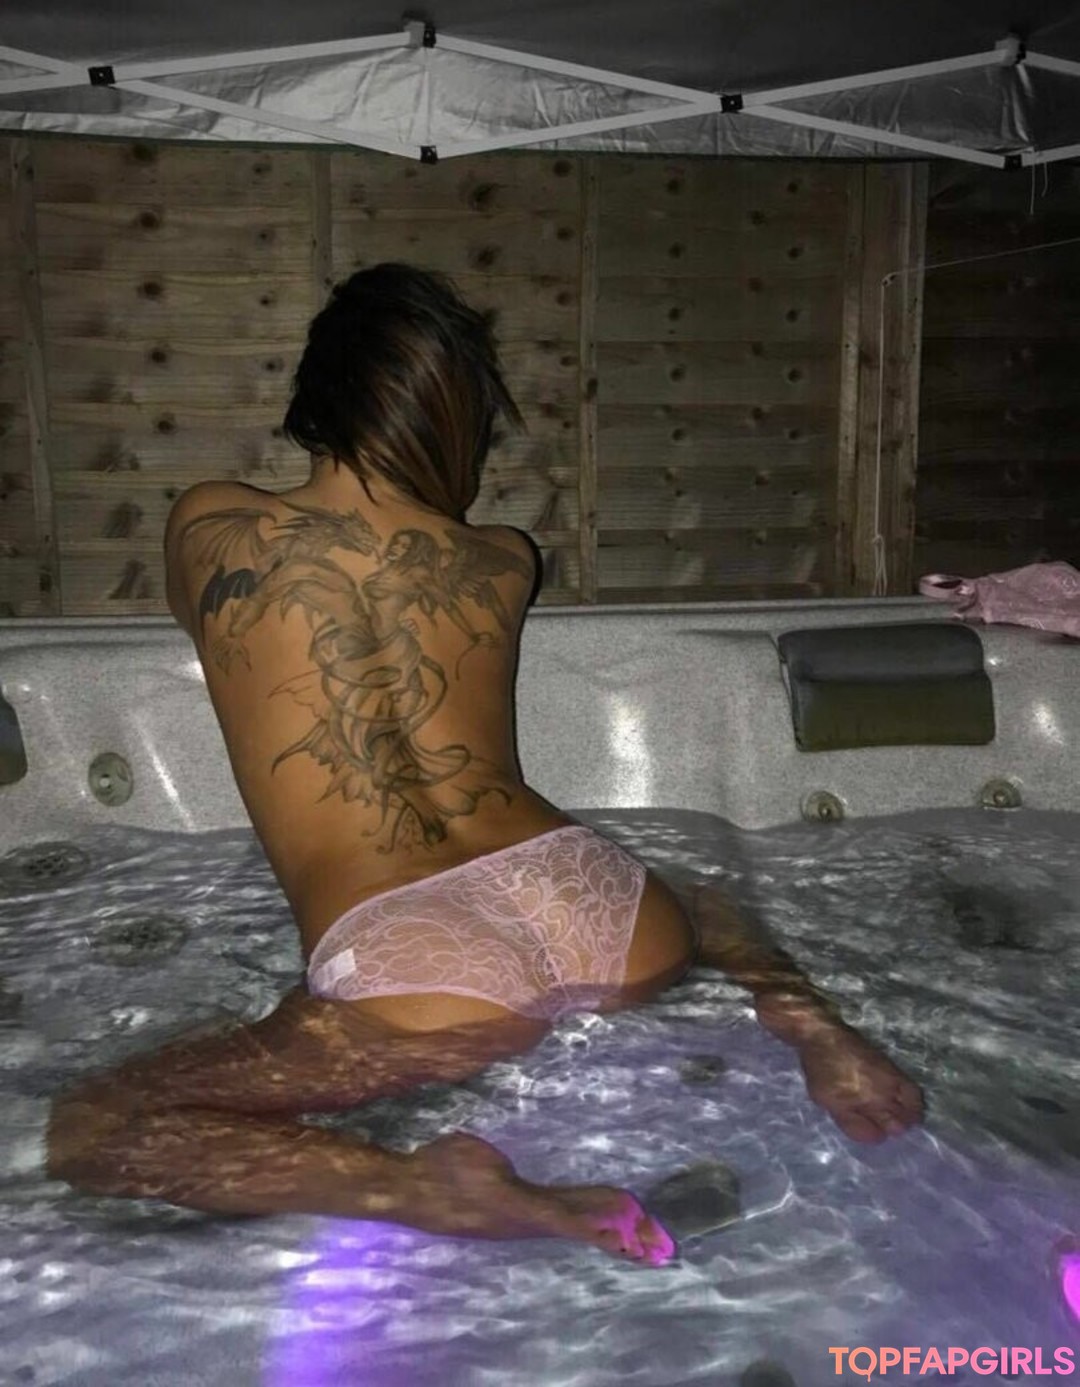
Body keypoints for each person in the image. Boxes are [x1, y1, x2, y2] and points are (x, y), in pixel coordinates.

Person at [46, 264, 922, 1266]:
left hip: (421, 963)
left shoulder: (209, 523)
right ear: (454, 416)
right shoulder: (504, 558)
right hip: (599, 903)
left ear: (317, 398)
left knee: (97, 1127)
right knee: (698, 896)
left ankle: (423, 1188)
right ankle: (812, 1025)